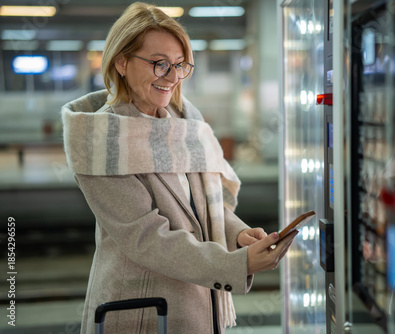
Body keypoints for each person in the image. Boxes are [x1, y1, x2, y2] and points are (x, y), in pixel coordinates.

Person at [61, 2, 298, 334]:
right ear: (122, 62)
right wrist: (236, 264)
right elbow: (147, 239)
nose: (172, 77)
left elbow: (202, 203)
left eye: (179, 64)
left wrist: (238, 235)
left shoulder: (186, 122)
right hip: (141, 314)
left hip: (195, 304)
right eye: (159, 64)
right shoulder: (101, 139)